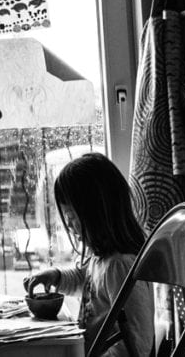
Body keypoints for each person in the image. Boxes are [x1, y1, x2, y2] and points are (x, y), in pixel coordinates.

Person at [23, 153, 154, 357]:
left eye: (72, 217)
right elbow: (83, 279)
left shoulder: (121, 267)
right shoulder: (99, 259)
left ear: (97, 214)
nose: (70, 226)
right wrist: (56, 276)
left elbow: (138, 343)